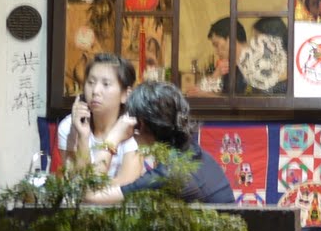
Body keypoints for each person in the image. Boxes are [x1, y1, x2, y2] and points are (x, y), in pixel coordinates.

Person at [84, 81, 233, 205]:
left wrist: (113, 138)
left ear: (140, 123)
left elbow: (91, 194)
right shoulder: (190, 152)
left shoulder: (167, 174)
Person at [58, 52, 143, 185]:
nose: (95, 91)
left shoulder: (133, 131)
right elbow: (76, 185)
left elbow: (124, 188)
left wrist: (112, 139)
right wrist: (83, 137)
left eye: (106, 84)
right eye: (91, 82)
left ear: (125, 95)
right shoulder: (69, 126)